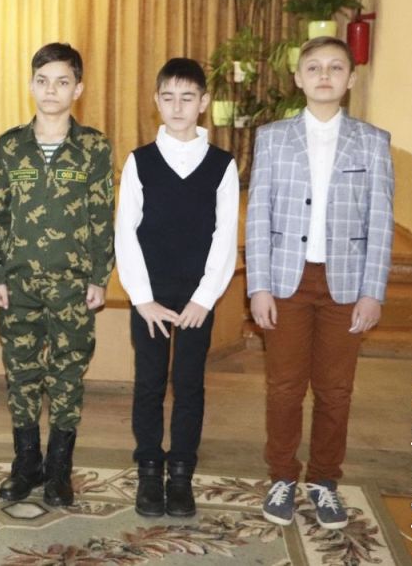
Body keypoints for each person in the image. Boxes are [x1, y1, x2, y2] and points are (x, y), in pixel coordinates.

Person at [247, 36, 394, 530]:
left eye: (335, 67)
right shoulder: (272, 138)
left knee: (335, 390)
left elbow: (381, 220)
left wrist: (373, 291)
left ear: (351, 78)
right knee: (284, 387)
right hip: (286, 282)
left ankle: (325, 480)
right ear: (298, 78)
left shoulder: (372, 141)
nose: (324, 75)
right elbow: (259, 214)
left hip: (346, 285)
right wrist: (258, 285)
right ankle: (283, 476)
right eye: (314, 67)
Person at [0, 42, 115, 506]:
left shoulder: (94, 146)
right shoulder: (10, 146)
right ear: (30, 85)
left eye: (62, 82)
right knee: (21, 374)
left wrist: (100, 276)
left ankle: (59, 469)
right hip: (18, 283)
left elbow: (102, 216)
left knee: (66, 376)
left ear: (78, 89)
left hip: (72, 284)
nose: (51, 90)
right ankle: (26, 464)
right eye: (42, 81)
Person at [114, 58, 239, 517]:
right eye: (168, 97)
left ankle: (181, 472)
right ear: (157, 102)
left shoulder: (222, 165)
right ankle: (149, 469)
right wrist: (142, 298)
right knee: (148, 382)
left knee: (188, 384)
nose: (178, 106)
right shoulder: (140, 161)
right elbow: (125, 231)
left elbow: (225, 236)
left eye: (188, 97)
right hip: (150, 295)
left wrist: (204, 299)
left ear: (203, 102)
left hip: (196, 299)